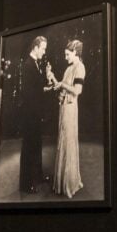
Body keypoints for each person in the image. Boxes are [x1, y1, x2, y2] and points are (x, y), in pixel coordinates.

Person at [48, 40, 86, 198]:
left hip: (70, 109)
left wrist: (62, 85)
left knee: (68, 143)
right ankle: (62, 184)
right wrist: (52, 77)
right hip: (63, 108)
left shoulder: (80, 68)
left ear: (75, 52)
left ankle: (69, 184)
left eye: (67, 54)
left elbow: (77, 90)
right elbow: (61, 87)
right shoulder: (68, 68)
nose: (65, 57)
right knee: (63, 142)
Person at [19, 36, 50, 193]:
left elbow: (36, 88)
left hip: (35, 114)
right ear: (36, 47)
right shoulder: (27, 65)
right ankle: (25, 184)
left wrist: (44, 88)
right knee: (29, 147)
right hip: (30, 115)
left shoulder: (36, 64)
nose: (44, 52)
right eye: (43, 49)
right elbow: (27, 93)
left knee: (37, 145)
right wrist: (41, 90)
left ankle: (37, 176)